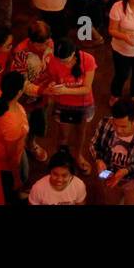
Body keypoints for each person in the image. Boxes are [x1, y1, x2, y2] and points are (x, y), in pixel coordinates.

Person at [90, 98, 134, 205]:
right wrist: (98, 160)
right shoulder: (104, 123)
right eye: (115, 124)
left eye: (123, 126)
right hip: (109, 177)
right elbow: (94, 144)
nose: (118, 130)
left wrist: (126, 171)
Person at [46, 38, 98, 173]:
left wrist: (65, 90)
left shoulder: (88, 60)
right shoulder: (53, 61)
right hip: (62, 104)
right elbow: (52, 78)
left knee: (81, 132)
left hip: (84, 104)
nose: (62, 63)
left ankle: (78, 155)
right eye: (59, 60)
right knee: (63, 133)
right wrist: (51, 85)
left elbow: (87, 88)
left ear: (74, 53)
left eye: (65, 60)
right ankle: (62, 158)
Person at [9, 21, 55, 163]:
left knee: (38, 122)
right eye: (42, 44)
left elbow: (51, 63)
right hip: (24, 101)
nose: (47, 46)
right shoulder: (20, 53)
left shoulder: (50, 43)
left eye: (48, 42)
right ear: (32, 41)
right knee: (22, 127)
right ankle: (19, 150)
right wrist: (41, 90)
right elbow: (21, 84)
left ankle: (31, 144)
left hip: (43, 97)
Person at [0, 71, 31, 203]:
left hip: (10, 147)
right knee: (18, 180)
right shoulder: (12, 124)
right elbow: (12, 157)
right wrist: (17, 179)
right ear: (19, 92)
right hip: (9, 161)